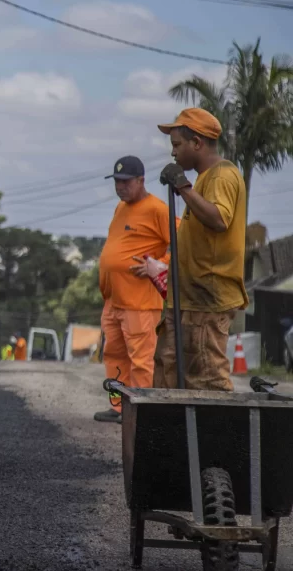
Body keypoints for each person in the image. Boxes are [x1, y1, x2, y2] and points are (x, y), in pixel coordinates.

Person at [154, 108, 248, 391]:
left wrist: (182, 186)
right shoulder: (205, 179)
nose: (173, 153)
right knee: (170, 372)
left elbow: (219, 219)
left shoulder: (222, 176)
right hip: (187, 298)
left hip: (207, 300)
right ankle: (174, 435)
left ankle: (213, 436)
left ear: (197, 143)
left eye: (177, 145)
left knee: (206, 379)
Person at [95, 156, 174, 424]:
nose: (120, 187)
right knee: (115, 355)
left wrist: (158, 264)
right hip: (114, 299)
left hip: (139, 302)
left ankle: (140, 410)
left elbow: (181, 243)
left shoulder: (158, 209)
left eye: (125, 182)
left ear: (141, 180)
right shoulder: (121, 208)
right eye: (117, 182)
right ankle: (119, 407)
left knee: (140, 360)